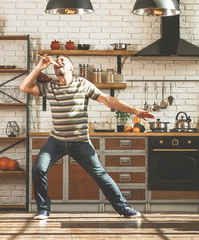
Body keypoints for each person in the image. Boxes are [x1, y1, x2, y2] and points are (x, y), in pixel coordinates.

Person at [20, 54, 155, 220]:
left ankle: (124, 208)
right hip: (56, 141)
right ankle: (43, 210)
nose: (59, 62)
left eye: (64, 60)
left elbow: (109, 100)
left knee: (100, 175)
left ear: (71, 67)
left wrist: (136, 111)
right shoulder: (50, 86)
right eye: (57, 61)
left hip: (80, 142)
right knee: (38, 169)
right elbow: (24, 87)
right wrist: (39, 67)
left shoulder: (82, 84)